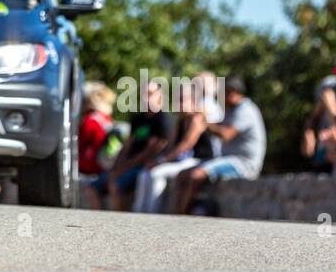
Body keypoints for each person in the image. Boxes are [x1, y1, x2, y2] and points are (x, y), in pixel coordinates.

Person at [173, 77, 266, 215]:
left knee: (196, 175)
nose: (220, 97)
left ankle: (182, 216)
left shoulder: (245, 110)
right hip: (228, 159)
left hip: (243, 163)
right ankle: (175, 213)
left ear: (233, 92)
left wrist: (204, 122)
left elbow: (226, 135)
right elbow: (216, 129)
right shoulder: (230, 110)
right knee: (182, 175)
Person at [89, 80, 173, 211]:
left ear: (160, 96)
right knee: (92, 188)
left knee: (114, 186)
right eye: (144, 94)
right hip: (127, 165)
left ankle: (120, 225)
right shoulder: (138, 118)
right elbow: (127, 146)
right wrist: (116, 167)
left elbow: (152, 149)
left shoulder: (163, 118)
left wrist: (124, 168)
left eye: (150, 93)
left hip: (142, 166)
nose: (146, 97)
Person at [133, 78, 214, 213]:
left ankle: (151, 214)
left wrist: (161, 161)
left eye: (183, 99)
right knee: (144, 173)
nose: (179, 103)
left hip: (199, 160)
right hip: (184, 160)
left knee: (157, 174)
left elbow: (186, 145)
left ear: (193, 100)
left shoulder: (197, 118)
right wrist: (157, 160)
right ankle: (139, 211)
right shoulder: (181, 119)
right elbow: (171, 145)